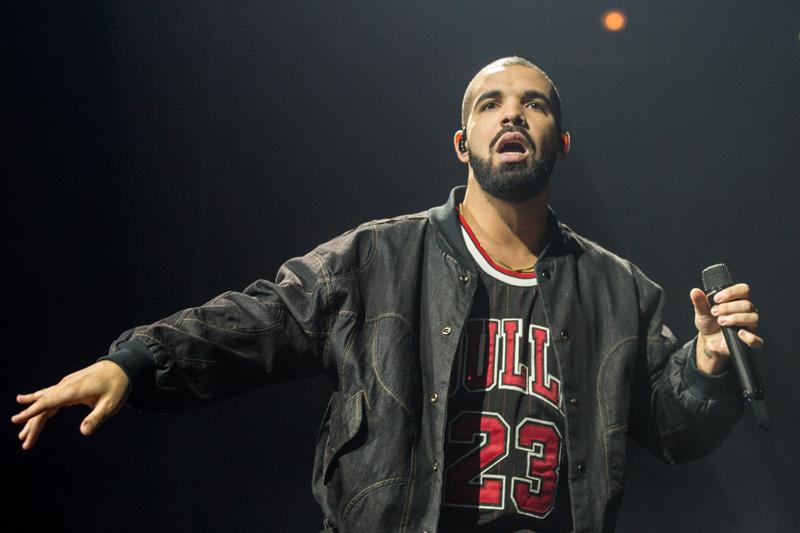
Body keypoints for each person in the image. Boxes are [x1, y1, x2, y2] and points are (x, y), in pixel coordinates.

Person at [11, 56, 763, 533]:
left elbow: (672, 430)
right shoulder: (379, 256)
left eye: (533, 104)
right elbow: (261, 318)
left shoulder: (617, 289)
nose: (511, 113)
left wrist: (705, 366)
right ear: (462, 141)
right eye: (489, 102)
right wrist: (135, 361)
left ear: (560, 142)